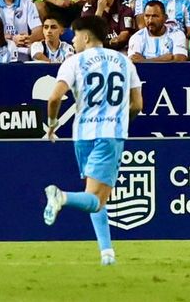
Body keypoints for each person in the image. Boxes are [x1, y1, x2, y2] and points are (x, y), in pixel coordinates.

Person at [41, 14, 143, 265]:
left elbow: (54, 98)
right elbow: (138, 104)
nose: (73, 40)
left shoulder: (73, 62)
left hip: (82, 135)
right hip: (110, 135)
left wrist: (52, 125)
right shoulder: (124, 61)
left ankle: (107, 253)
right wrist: (120, 117)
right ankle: (61, 197)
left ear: (86, 36)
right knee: (97, 199)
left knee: (96, 195)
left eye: (75, 35)